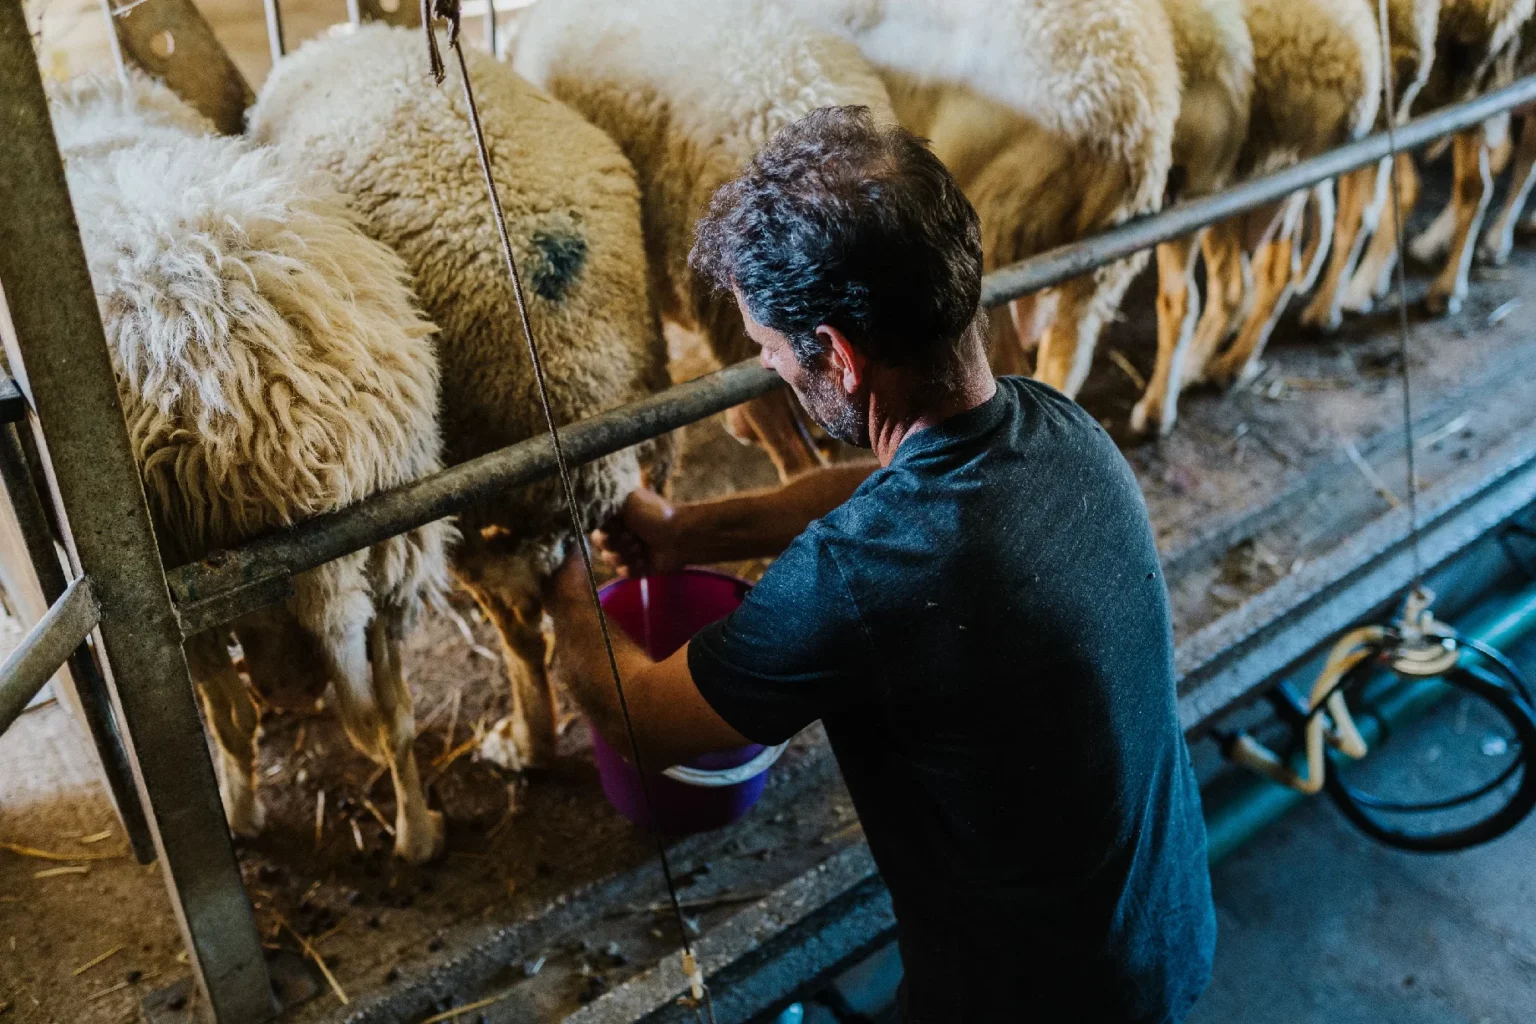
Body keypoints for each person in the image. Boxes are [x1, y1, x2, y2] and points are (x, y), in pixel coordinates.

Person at [543, 105, 1216, 1022]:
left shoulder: (865, 581)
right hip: (1161, 934)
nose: (771, 369)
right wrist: (686, 533)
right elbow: (888, 487)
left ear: (841, 359)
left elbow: (643, 717)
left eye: (773, 352)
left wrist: (565, 588)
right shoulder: (1056, 424)